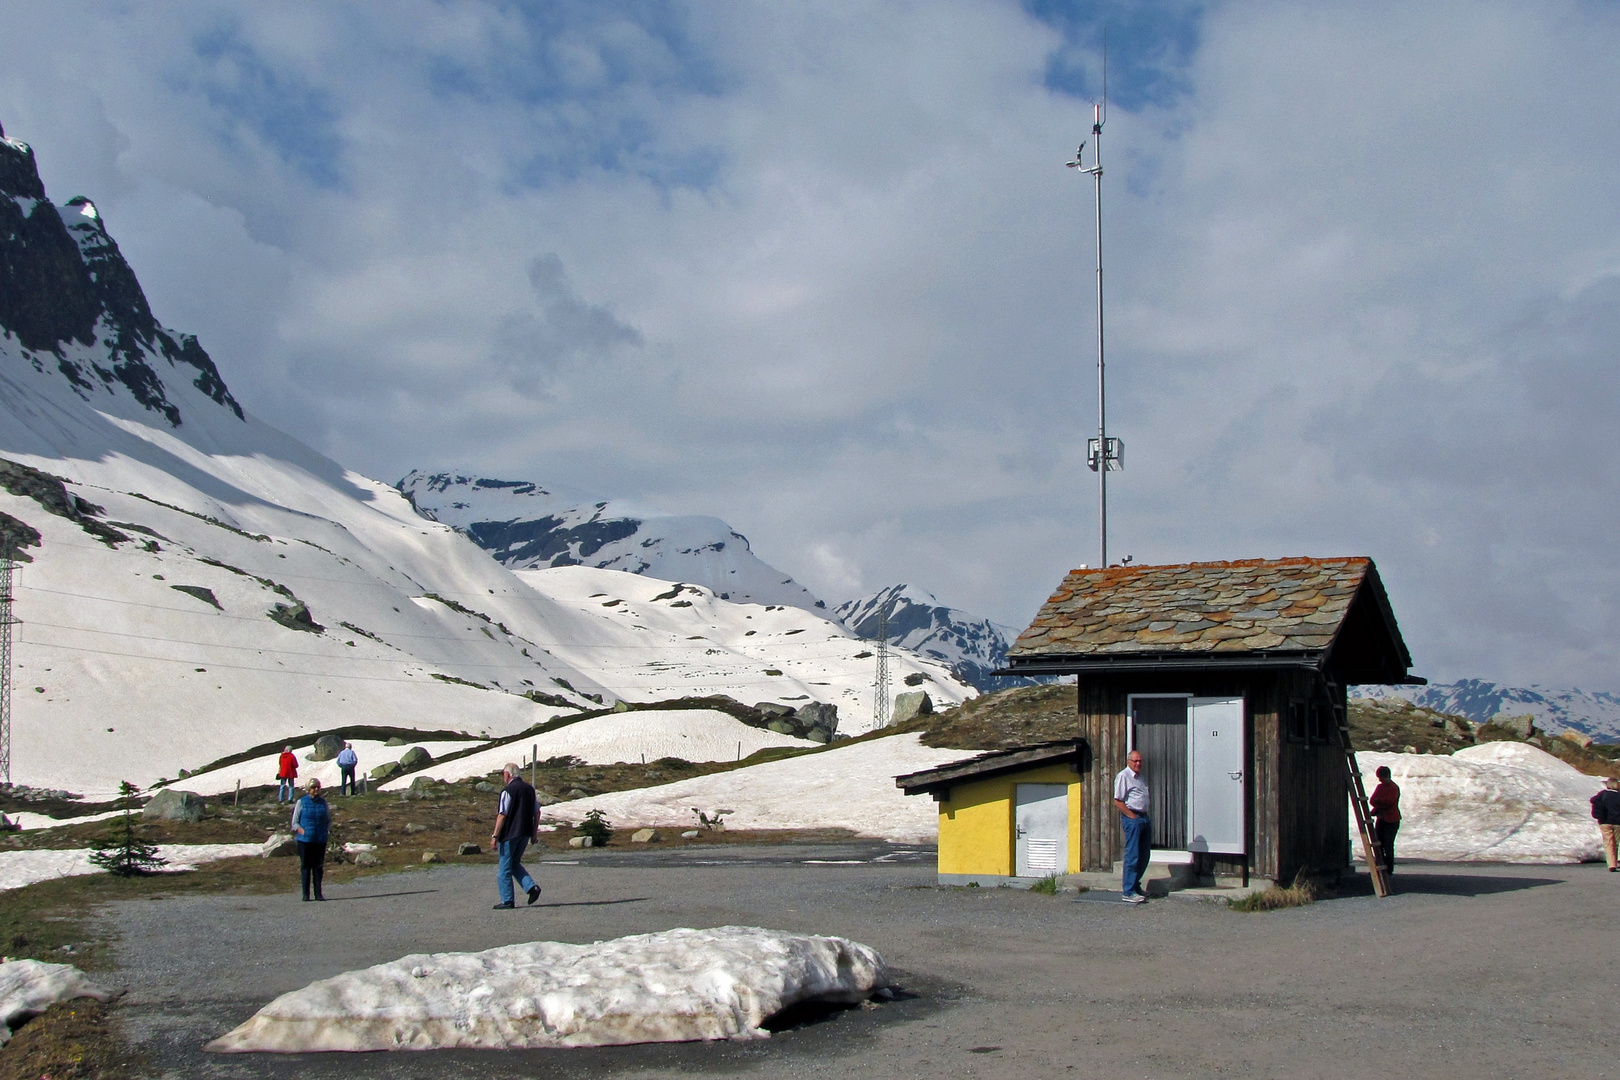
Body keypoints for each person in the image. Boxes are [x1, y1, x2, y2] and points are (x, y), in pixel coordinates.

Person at [491, 762, 542, 909]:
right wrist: (534, 832)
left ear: (507, 774)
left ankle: (507, 900)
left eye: (503, 774)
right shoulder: (529, 789)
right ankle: (531, 888)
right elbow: (537, 811)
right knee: (514, 863)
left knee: (504, 869)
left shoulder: (508, 791)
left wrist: (494, 836)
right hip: (525, 832)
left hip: (509, 833)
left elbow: (502, 814)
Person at [1113, 749, 1151, 904]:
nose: (1138, 764)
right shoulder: (1124, 776)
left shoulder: (1140, 778)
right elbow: (1118, 800)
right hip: (1133, 818)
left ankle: (1136, 885)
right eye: (1135, 761)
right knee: (1133, 855)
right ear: (1129, 761)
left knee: (1144, 855)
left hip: (1144, 817)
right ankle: (1128, 891)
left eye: (1140, 761)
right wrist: (1132, 816)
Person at [290, 777, 331, 901]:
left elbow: (329, 820)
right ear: (308, 789)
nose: (316, 789)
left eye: (318, 787)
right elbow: (294, 822)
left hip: (320, 839)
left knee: (318, 867)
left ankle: (318, 893)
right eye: (314, 787)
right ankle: (305, 894)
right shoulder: (301, 802)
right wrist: (302, 831)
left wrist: (327, 830)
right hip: (305, 840)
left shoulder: (323, 803)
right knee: (306, 866)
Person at [1368, 765, 1401, 877]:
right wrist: (1379, 802)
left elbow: (1389, 802)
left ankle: (1389, 869)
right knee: (1379, 844)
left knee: (1388, 844)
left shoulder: (1393, 788)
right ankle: (1380, 866)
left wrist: (1379, 801)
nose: (1380, 780)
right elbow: (1372, 800)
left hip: (1391, 820)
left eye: (1381, 777)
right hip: (1381, 819)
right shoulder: (1380, 787)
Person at [1591, 777, 1620, 873]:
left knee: (1608, 843)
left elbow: (1593, 800)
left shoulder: (1602, 795)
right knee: (1617, 842)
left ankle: (1612, 865)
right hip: (1618, 823)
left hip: (1605, 822)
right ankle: (1617, 859)